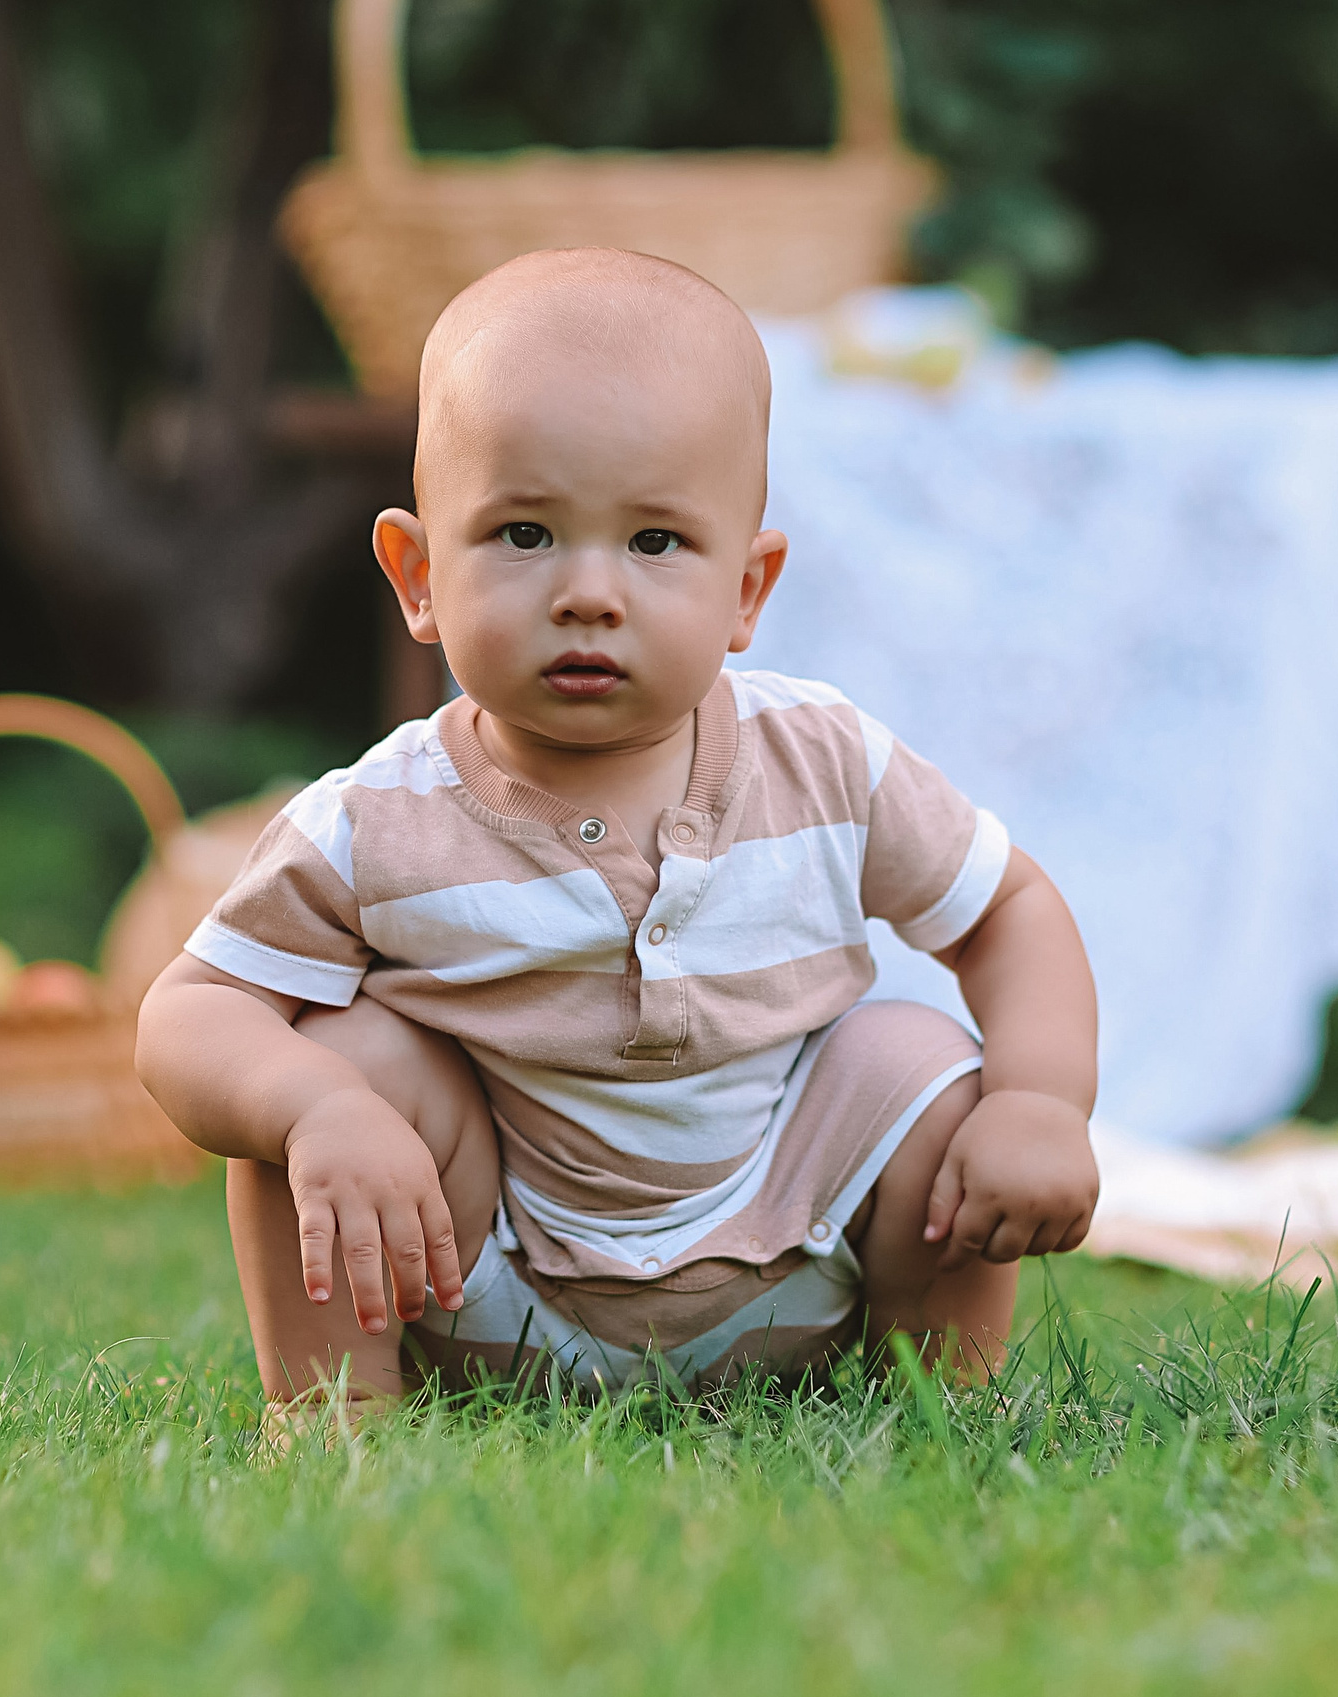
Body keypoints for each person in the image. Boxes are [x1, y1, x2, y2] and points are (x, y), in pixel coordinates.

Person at [136, 248, 1099, 1434]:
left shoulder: (825, 760)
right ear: (419, 574)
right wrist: (307, 1107)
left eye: (654, 544)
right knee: (354, 1064)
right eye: (525, 533)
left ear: (746, 590)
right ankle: (341, 1417)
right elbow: (188, 1014)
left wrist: (1042, 1104)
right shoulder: (377, 816)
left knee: (922, 1061)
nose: (589, 592)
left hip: (792, 1276)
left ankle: (939, 1406)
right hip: (489, 1294)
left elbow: (1010, 912)